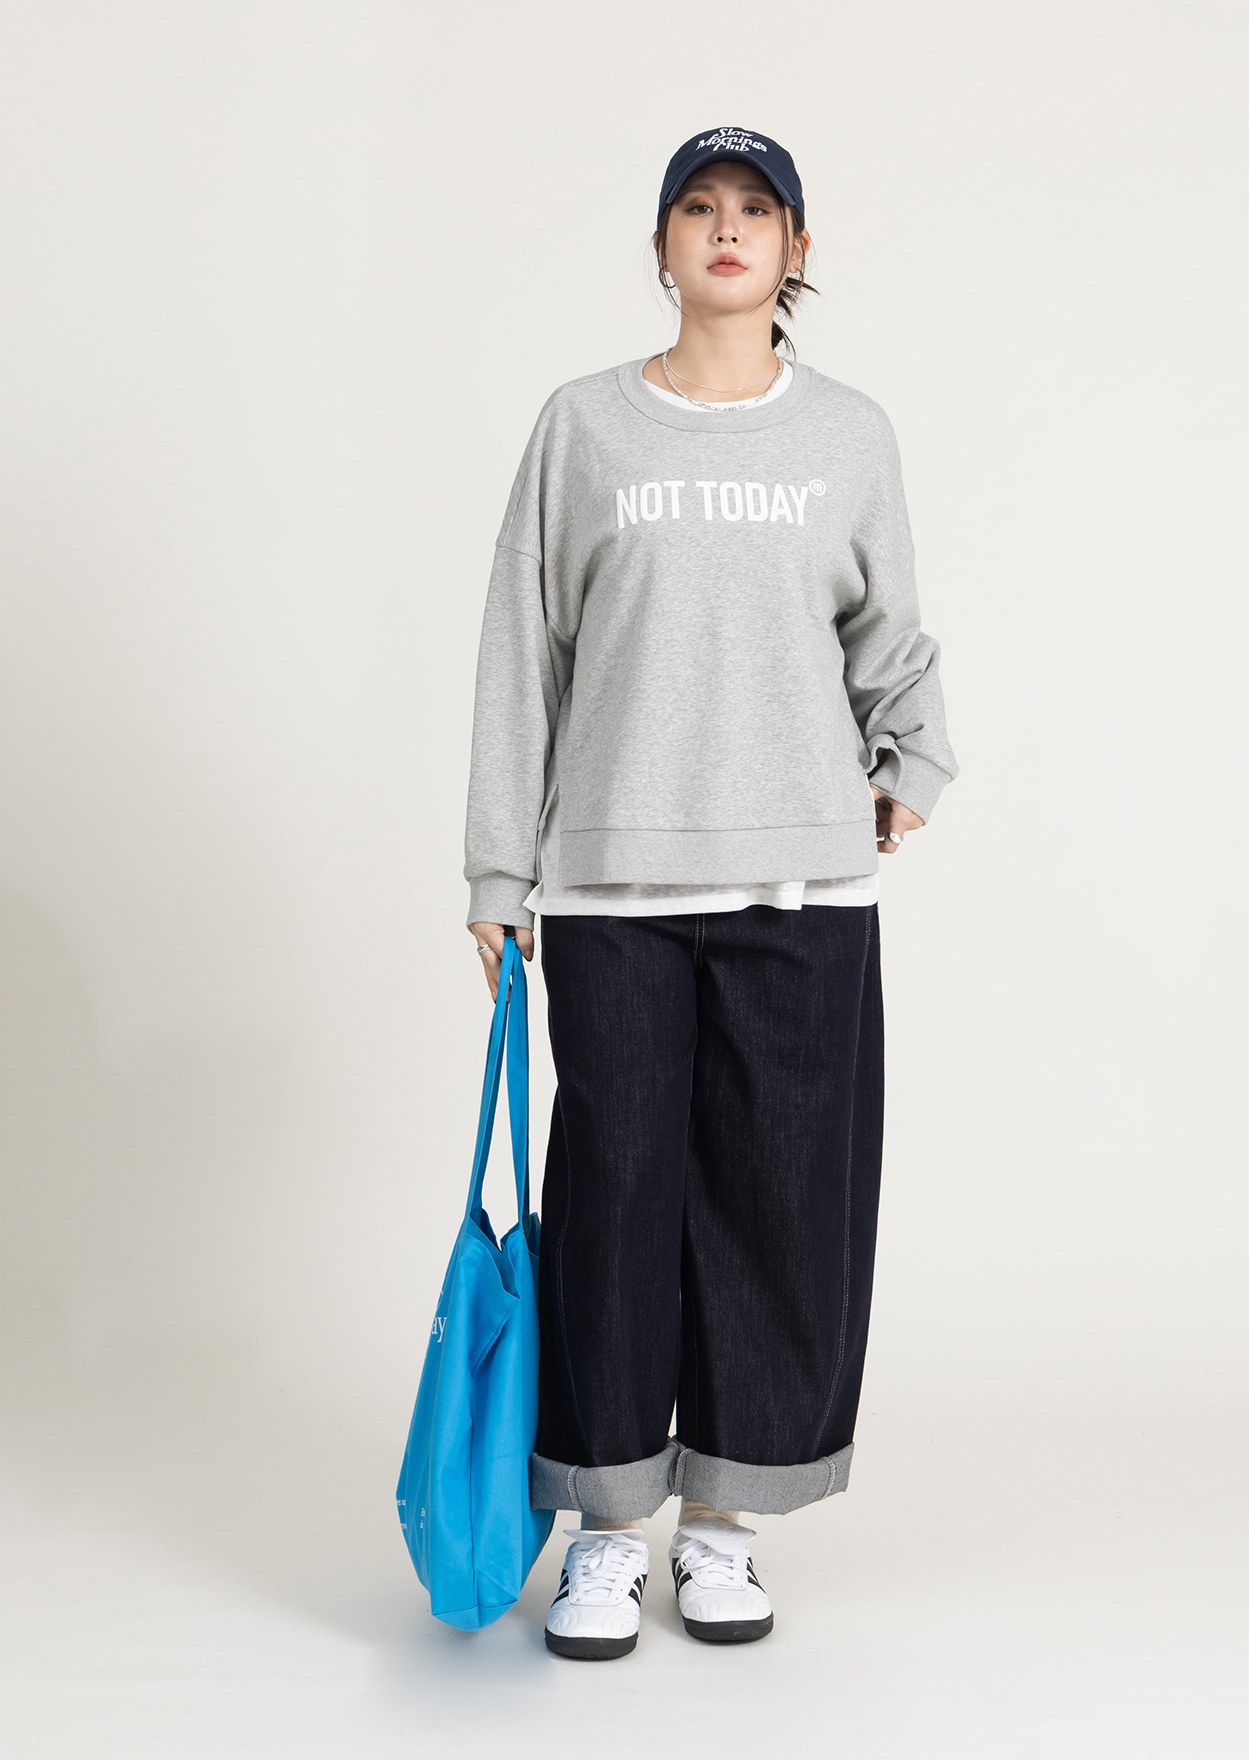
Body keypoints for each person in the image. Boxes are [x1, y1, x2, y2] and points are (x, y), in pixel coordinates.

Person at [462, 126, 959, 1660]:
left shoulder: (850, 434)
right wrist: (498, 865)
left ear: (797, 251)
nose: (727, 230)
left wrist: (912, 767)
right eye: (699, 207)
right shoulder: (583, 428)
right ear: (664, 245)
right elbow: (521, 651)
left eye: (756, 211)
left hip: (802, 888)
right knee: (614, 1203)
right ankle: (610, 1531)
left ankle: (727, 1526)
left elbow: (893, 639)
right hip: (612, 882)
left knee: (780, 1203)